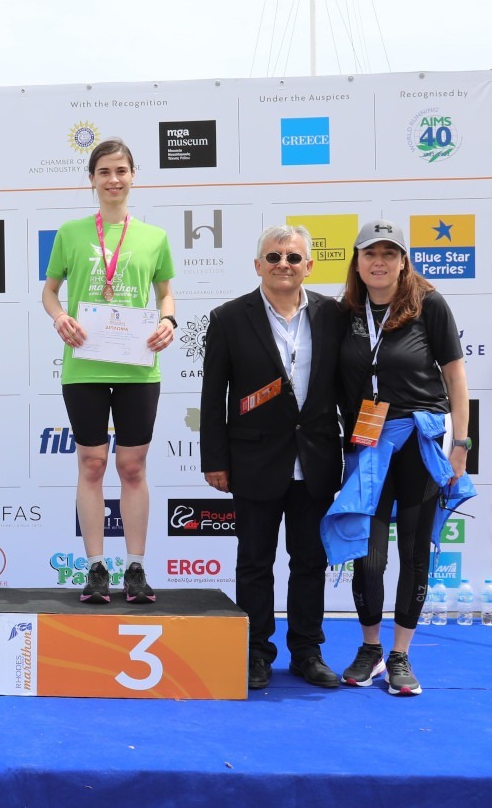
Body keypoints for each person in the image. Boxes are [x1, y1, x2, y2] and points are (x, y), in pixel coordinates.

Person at [324, 219, 472, 696]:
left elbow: (456, 376)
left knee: (413, 551)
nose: (379, 262)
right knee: (368, 556)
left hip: (418, 443)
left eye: (390, 253)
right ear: (357, 262)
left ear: (404, 262)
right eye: (370, 253)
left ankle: (401, 654)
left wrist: (462, 445)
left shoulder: (429, 305)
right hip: (366, 444)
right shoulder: (344, 312)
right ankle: (370, 649)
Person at [200, 225, 344, 690]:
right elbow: (212, 397)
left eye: (293, 257)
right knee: (255, 563)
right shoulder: (228, 318)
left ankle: (307, 651)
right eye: (274, 256)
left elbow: (347, 387)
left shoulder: (333, 315)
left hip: (317, 460)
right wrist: (214, 459)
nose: (284, 264)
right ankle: (255, 653)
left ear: (309, 266)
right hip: (254, 462)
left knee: (310, 562)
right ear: (258, 265)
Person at [41, 138, 176, 604]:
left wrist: (168, 321)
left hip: (138, 366)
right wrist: (60, 317)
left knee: (132, 466)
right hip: (85, 365)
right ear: (92, 179)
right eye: (104, 172)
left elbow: (165, 294)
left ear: (133, 176)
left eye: (121, 170)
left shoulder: (154, 237)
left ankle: (135, 568)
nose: (113, 179)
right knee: (93, 464)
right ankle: (96, 568)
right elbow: (50, 292)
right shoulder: (70, 232)